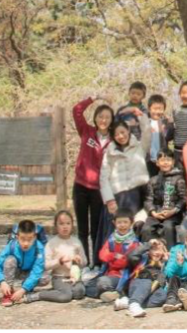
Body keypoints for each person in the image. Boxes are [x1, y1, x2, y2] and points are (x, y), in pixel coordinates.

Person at [71, 96, 113, 265]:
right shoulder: (86, 132)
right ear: (95, 118)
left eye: (107, 117)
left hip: (98, 190)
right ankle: (83, 262)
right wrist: (92, 98)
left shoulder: (113, 140)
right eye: (100, 116)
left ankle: (96, 263)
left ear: (111, 121)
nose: (103, 120)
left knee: (96, 229)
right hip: (80, 186)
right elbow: (76, 110)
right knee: (82, 229)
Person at [99, 118, 152, 240]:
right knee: (116, 230)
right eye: (116, 134)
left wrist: (141, 116)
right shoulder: (109, 152)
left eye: (123, 132)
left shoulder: (139, 146)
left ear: (128, 131)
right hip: (117, 196)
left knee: (135, 226)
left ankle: (135, 257)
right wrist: (109, 199)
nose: (121, 136)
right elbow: (103, 177)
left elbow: (147, 132)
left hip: (136, 194)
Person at [27, 210, 86, 304]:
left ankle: (64, 291)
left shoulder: (76, 242)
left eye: (68, 223)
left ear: (72, 225)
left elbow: (84, 262)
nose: (65, 226)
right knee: (66, 296)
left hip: (74, 277)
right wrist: (59, 261)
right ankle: (40, 295)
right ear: (56, 226)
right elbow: (45, 265)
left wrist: (79, 260)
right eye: (61, 224)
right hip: (59, 277)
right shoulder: (52, 244)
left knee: (79, 292)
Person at [86, 209, 140, 301]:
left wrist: (112, 259)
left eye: (125, 222)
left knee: (102, 282)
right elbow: (102, 254)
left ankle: (118, 292)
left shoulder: (133, 242)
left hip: (124, 276)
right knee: (87, 286)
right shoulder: (112, 238)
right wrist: (114, 256)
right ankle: (113, 293)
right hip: (109, 273)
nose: (122, 225)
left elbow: (124, 262)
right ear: (114, 223)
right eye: (119, 222)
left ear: (131, 223)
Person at [0, 218, 47, 307]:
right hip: (16, 271)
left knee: (45, 277)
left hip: (30, 272)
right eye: (22, 239)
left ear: (34, 237)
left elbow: (37, 271)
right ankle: (8, 292)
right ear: (17, 237)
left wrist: (23, 289)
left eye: (29, 239)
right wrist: (2, 282)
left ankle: (26, 286)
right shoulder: (12, 245)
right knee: (10, 260)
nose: (26, 243)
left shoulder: (39, 248)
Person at [142, 148, 187, 246]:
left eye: (168, 160)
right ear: (157, 163)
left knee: (168, 227)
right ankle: (148, 256)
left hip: (173, 214)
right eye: (162, 160)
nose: (165, 163)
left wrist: (173, 211)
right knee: (146, 229)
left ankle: (169, 256)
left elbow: (183, 199)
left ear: (173, 162)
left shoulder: (179, 179)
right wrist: (153, 213)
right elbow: (148, 200)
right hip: (156, 213)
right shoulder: (153, 180)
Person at [124, 237, 170, 317]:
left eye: (159, 249)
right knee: (147, 281)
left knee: (162, 295)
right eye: (153, 249)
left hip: (150, 291)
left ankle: (130, 302)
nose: (156, 252)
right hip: (138, 283)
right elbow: (131, 256)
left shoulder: (163, 266)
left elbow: (164, 279)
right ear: (148, 251)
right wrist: (148, 244)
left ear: (164, 251)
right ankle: (134, 304)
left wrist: (167, 262)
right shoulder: (143, 259)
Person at [146, 94, 174, 177]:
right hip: (149, 160)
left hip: (162, 159)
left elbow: (170, 136)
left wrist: (171, 124)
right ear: (149, 109)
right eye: (155, 109)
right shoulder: (145, 123)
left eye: (160, 109)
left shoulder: (165, 123)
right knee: (150, 181)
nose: (157, 111)